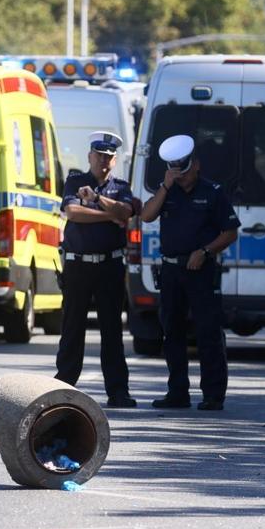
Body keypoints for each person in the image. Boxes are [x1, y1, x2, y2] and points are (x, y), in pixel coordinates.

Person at [140, 134, 240, 411]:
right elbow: (146, 216)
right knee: (172, 332)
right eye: (175, 172)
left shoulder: (213, 192)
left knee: (208, 332)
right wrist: (164, 186)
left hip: (200, 270)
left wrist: (206, 251)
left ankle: (213, 394)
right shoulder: (167, 191)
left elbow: (230, 232)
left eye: (183, 171)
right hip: (171, 271)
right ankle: (177, 392)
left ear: (196, 165)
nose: (180, 177)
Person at [54, 131, 136, 407]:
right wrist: (108, 216)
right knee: (72, 327)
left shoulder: (121, 187)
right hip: (78, 265)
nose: (103, 161)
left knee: (112, 330)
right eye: (99, 156)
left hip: (110, 266)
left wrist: (100, 201)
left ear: (114, 161)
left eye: (108, 157)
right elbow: (74, 213)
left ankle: (118, 390)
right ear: (89, 156)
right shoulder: (75, 181)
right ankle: (64, 385)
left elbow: (126, 213)